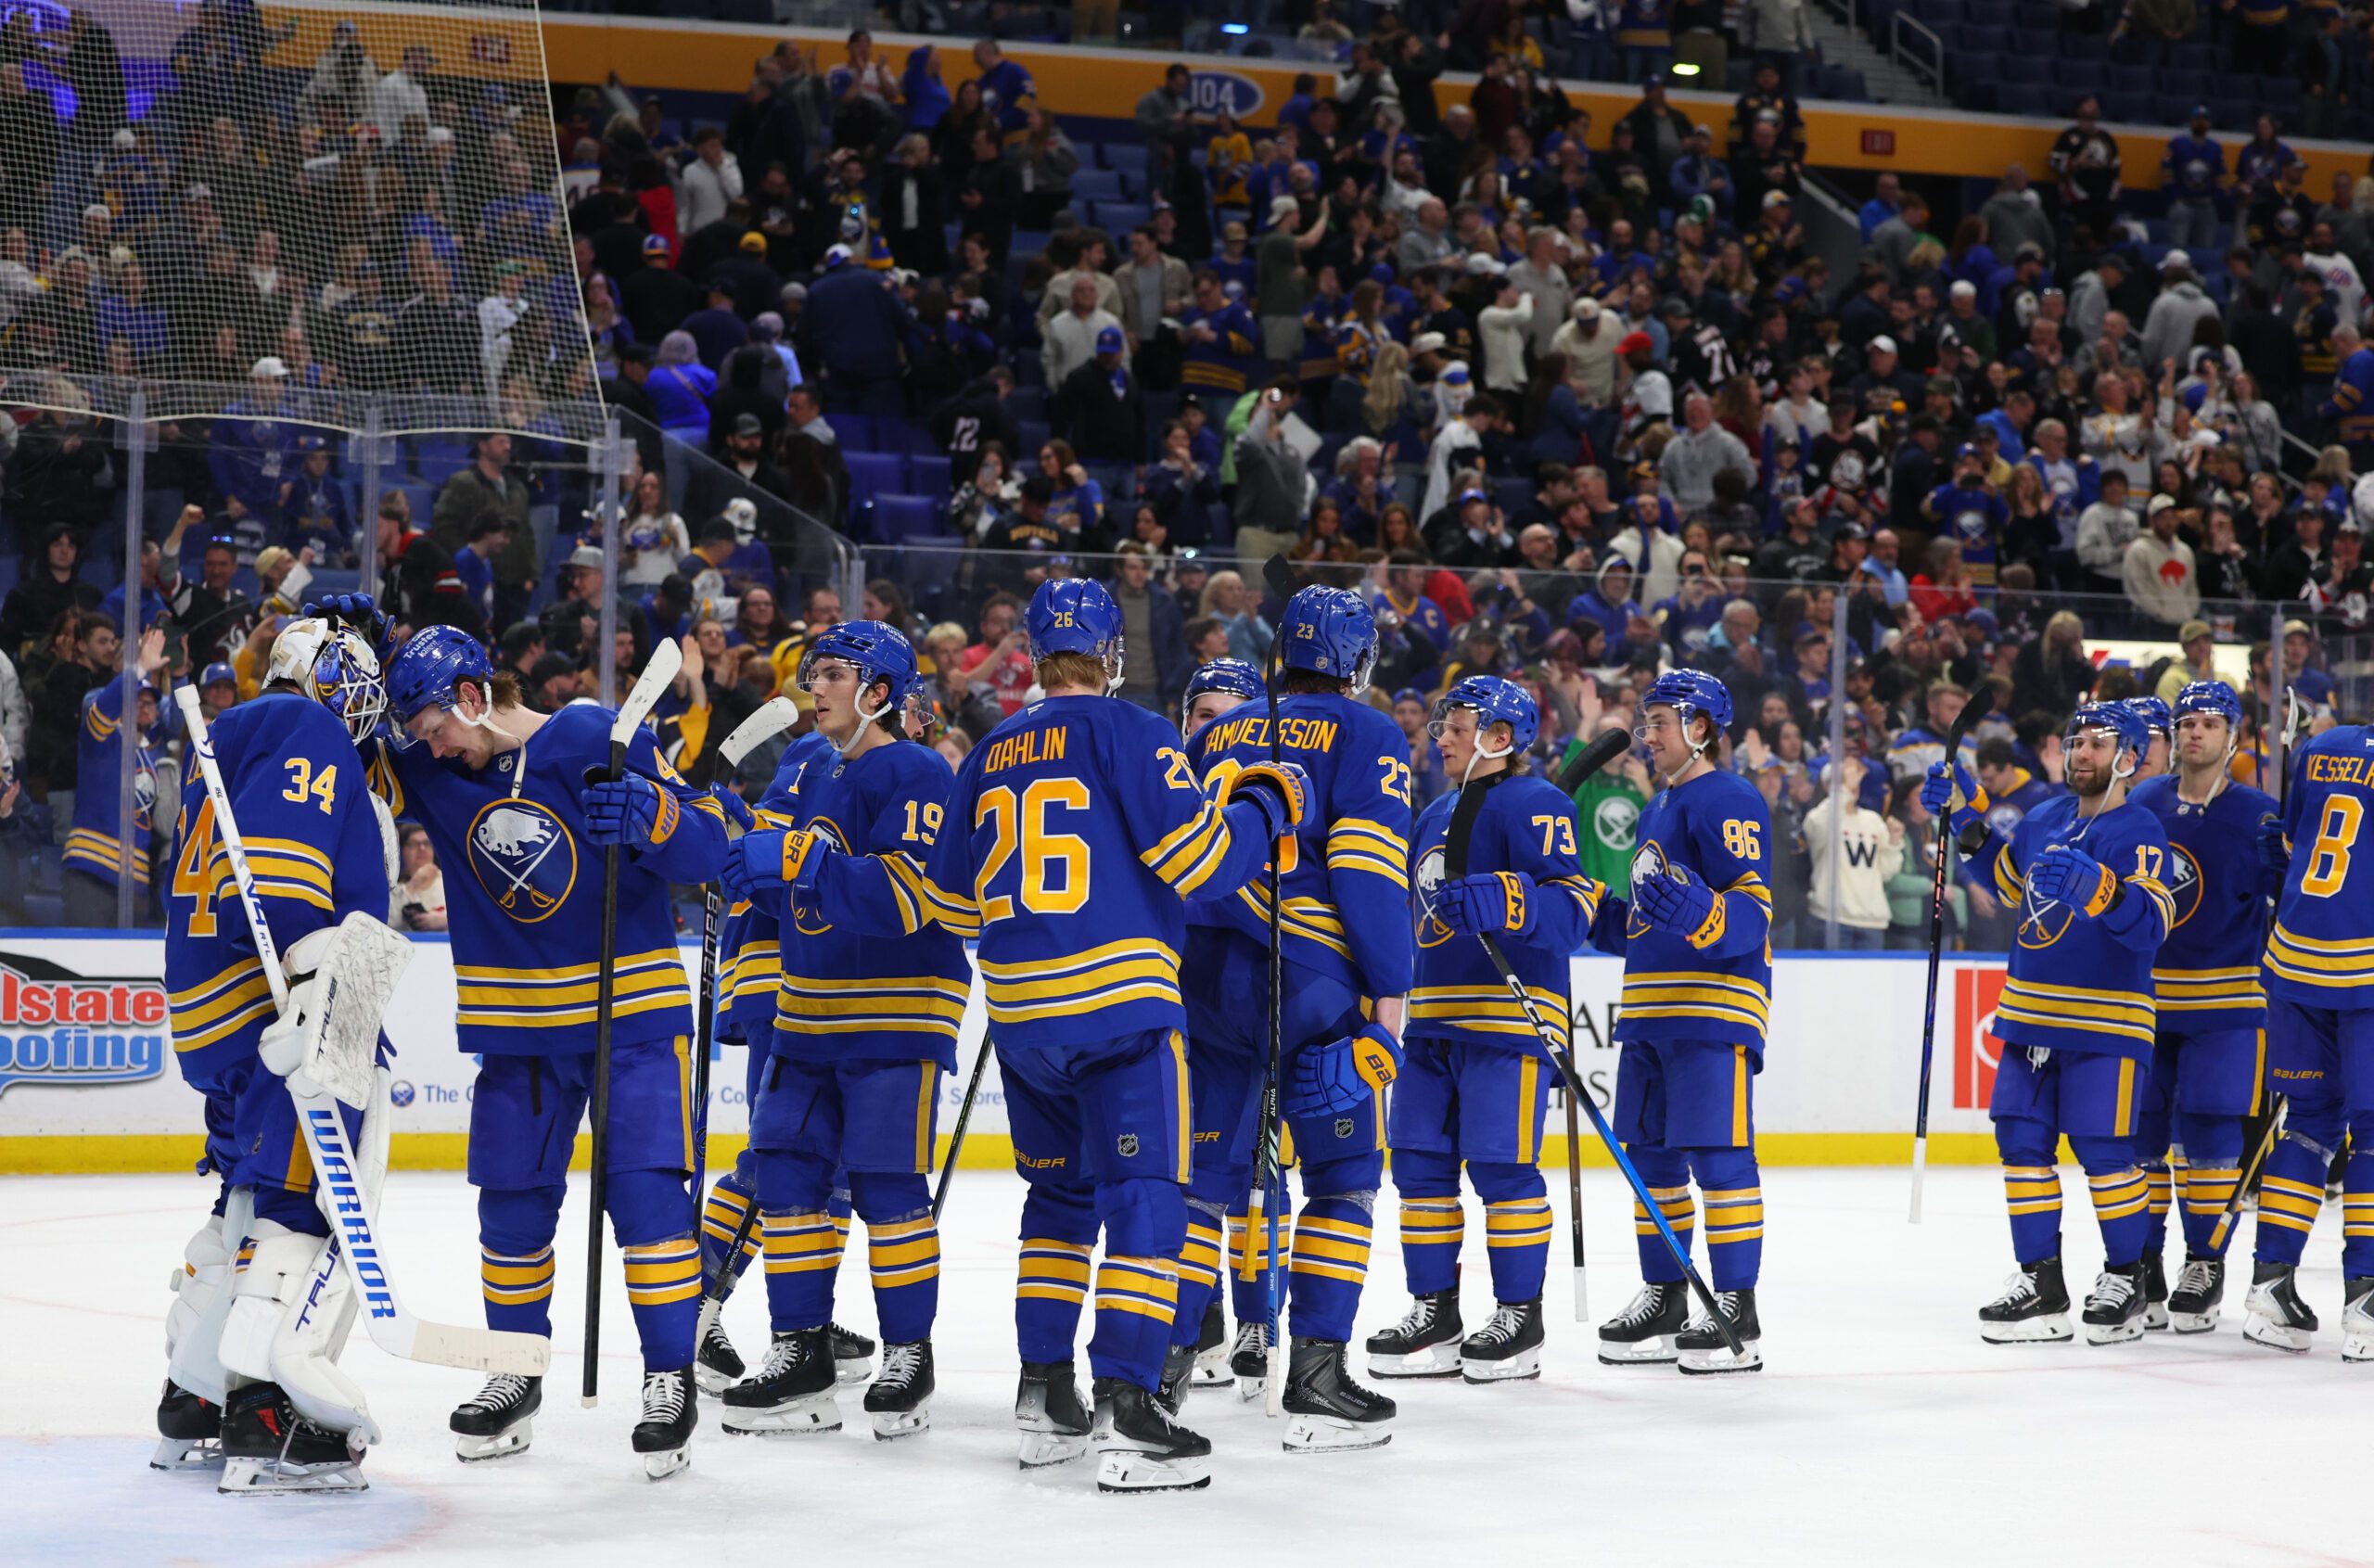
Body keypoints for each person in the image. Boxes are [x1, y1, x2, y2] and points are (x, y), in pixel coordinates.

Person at [907, 579, 1302, 1492]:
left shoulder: (993, 747)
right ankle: (1129, 1402)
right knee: (1146, 1195)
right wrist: (1263, 811)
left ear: (1037, 653)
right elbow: (1200, 863)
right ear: (1111, 654)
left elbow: (949, 900)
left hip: (1020, 1014)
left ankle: (1044, 1391)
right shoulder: (1135, 732)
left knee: (1056, 1201)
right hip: (1121, 1008)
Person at [370, 615, 729, 1478]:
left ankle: (669, 1376)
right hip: (518, 1033)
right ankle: (516, 1370)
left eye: (438, 728)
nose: (435, 749)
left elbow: (712, 842)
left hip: (630, 1017)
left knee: (647, 1202)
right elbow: (346, 765)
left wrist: (652, 815)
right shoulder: (428, 766)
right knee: (513, 1209)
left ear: (472, 697)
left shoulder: (592, 738)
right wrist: (328, 657)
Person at [158, 620, 394, 1492]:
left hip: (210, 1005)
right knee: (307, 1190)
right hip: (283, 1000)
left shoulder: (230, 732)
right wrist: (319, 982)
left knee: (246, 1192)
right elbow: (286, 880)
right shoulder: (307, 729)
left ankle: (191, 1391)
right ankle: (264, 1405)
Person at [1173, 583, 1410, 1445]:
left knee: (1201, 1190)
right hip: (1312, 983)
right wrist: (1389, 1000)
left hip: (1203, 978)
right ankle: (1314, 1377)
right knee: (1343, 1179)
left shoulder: (1209, 734)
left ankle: (1161, 1376)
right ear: (1358, 657)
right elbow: (1367, 875)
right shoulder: (1369, 732)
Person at [715, 623, 966, 1438]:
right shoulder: (814, 767)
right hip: (805, 1007)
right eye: (809, 673)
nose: (812, 687)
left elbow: (904, 897)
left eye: (829, 673)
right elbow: (772, 870)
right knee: (787, 1176)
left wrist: (789, 860)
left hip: (896, 1009)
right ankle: (801, 1351)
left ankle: (907, 1351)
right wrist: (727, 841)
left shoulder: (917, 767)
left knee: (888, 1183)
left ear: (879, 692)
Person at [1368, 678, 1611, 1383]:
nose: (1440, 732)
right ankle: (1435, 1311)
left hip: (1508, 1022)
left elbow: (1573, 908)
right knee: (1417, 1167)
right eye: (1440, 720)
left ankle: (1518, 1315)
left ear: (1499, 737)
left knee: (1502, 1170)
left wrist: (1511, 898)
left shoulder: (1537, 803)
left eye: (1457, 722)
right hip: (1432, 1020)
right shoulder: (1435, 811)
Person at [1922, 702, 2176, 1345]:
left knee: (2105, 1152)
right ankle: (2041, 1280)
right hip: (2030, 1016)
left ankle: (2127, 1276)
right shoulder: (2043, 818)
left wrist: (2104, 890)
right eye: (2074, 740)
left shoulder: (2139, 829)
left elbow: (2151, 926)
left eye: (2096, 742)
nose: (2080, 753)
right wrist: (1964, 821)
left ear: (2128, 757)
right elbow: (2008, 882)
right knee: (2021, 1144)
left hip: (2106, 1024)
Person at [1594, 671, 1773, 1374]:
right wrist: (1596, 910)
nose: (1647, 734)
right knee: (1653, 1160)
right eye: (1645, 720)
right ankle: (1668, 1294)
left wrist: (1702, 913)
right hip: (1650, 1010)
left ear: (1701, 726)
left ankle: (1737, 1305)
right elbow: (1650, 918)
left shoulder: (1727, 795)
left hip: (1710, 1010)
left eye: (1661, 720)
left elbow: (1753, 910)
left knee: (1719, 1157)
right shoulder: (1656, 806)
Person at [2121, 681, 2278, 1335]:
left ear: (2232, 735)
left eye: (2209, 722)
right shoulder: (2144, 801)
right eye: (2185, 722)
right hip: (2151, 997)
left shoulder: (2260, 814)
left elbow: (2287, 909)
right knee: (2145, 1135)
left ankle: (2204, 1262)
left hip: (2228, 999)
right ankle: (2146, 1261)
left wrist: (2282, 873)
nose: (2194, 732)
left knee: (2212, 1135)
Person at [2251, 693, 2374, 1361]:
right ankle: (2369, 1298)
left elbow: (2291, 844)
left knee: (2309, 1122)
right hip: (2367, 968)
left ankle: (2271, 1287)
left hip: (2295, 959)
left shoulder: (2322, 749)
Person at [62, 624, 162, 926]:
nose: (144, 706)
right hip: (92, 870)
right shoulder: (103, 739)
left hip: (136, 884)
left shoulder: (153, 754)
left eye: (150, 702)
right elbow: (103, 707)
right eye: (137, 700)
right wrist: (140, 667)